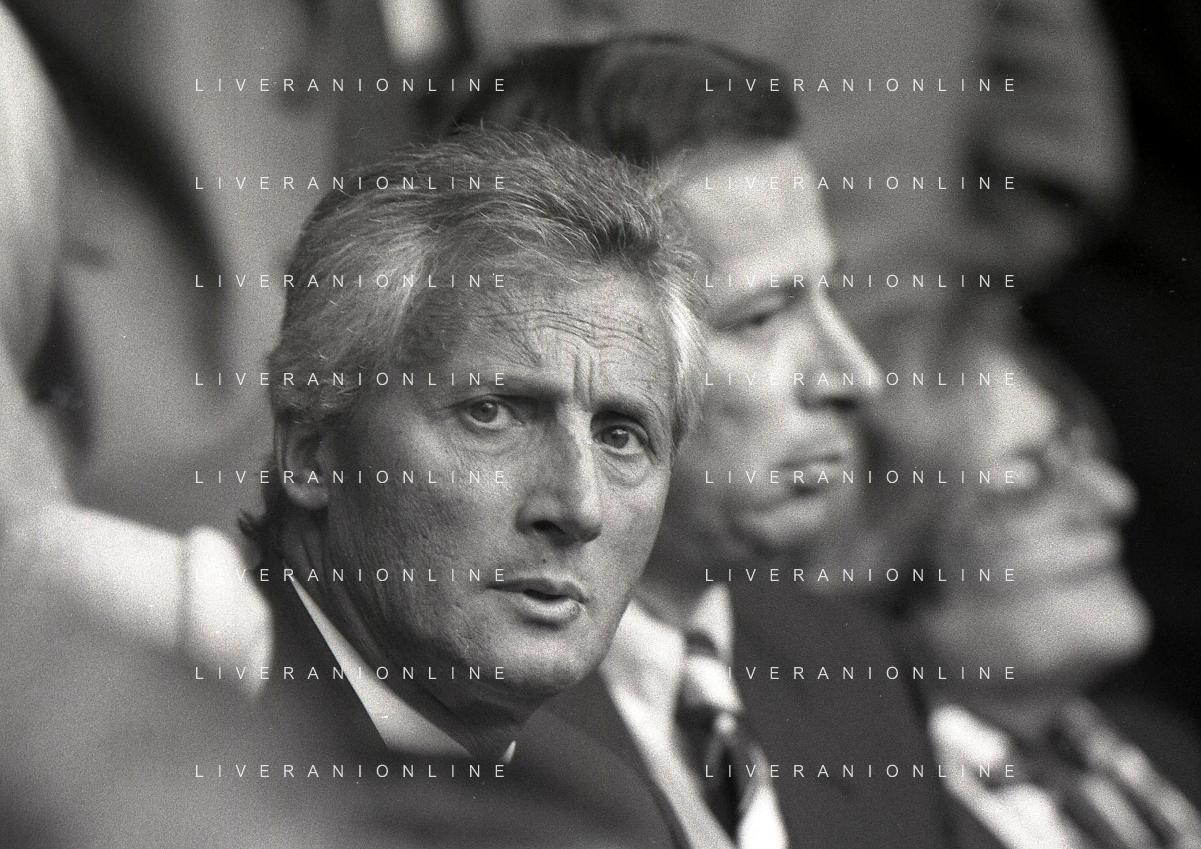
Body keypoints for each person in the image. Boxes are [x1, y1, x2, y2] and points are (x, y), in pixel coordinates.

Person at [445, 36, 957, 849]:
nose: (852, 374)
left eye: (828, 294)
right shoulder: (425, 716)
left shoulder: (854, 667)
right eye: (761, 317)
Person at [234, 124, 716, 845]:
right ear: (310, 448)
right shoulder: (166, 759)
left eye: (620, 435)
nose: (577, 506)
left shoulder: (617, 815)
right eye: (491, 413)